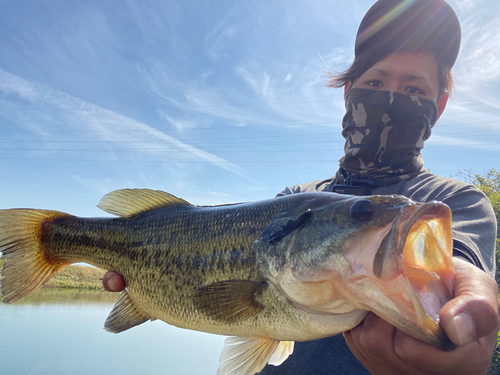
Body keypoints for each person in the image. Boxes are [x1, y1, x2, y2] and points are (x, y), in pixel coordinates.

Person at [103, 0, 499, 374]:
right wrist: (152, 290)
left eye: (413, 89)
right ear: (349, 93)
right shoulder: (293, 202)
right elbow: (229, 300)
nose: (391, 99)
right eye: (376, 82)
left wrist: (459, 295)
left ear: (440, 105)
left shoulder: (454, 202)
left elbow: (456, 262)